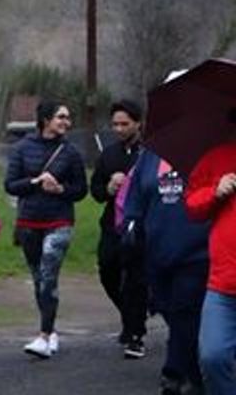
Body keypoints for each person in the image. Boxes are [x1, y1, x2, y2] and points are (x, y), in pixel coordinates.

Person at [4, 99, 87, 359]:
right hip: (29, 222)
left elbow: (81, 190)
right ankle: (50, 332)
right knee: (39, 280)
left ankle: (42, 335)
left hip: (59, 221)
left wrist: (60, 189)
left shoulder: (71, 152)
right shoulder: (21, 148)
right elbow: (10, 185)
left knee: (48, 274)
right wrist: (36, 181)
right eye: (61, 117)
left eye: (67, 118)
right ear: (46, 120)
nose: (66, 122)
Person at [124, 149, 209, 395]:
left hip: (196, 252)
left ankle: (177, 373)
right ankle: (191, 367)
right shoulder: (149, 157)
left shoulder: (206, 152)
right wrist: (131, 224)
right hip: (158, 253)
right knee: (170, 312)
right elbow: (136, 197)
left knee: (185, 313)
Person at [90, 99, 146, 355]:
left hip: (140, 225)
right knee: (107, 271)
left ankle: (136, 332)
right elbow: (96, 191)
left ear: (138, 123)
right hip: (113, 224)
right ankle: (130, 316)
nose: (119, 129)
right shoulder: (109, 154)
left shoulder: (148, 152)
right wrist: (109, 188)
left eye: (125, 124)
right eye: (115, 124)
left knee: (135, 278)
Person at [185, 143, 236, 395]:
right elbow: (192, 207)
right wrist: (216, 190)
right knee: (212, 356)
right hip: (223, 285)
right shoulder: (217, 158)